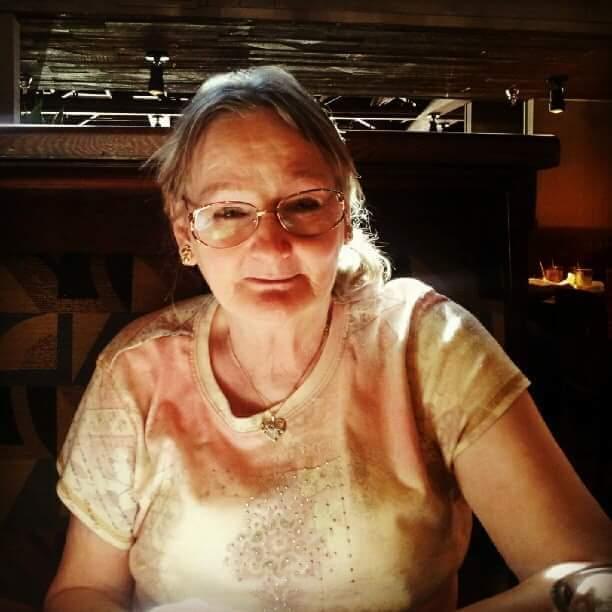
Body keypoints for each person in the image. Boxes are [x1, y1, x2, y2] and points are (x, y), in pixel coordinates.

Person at [45, 66, 611, 612]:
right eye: (229, 211)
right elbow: (84, 589)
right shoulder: (136, 371)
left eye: (304, 203)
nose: (272, 247)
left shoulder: (427, 344)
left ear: (345, 218)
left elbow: (591, 574)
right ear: (185, 234)